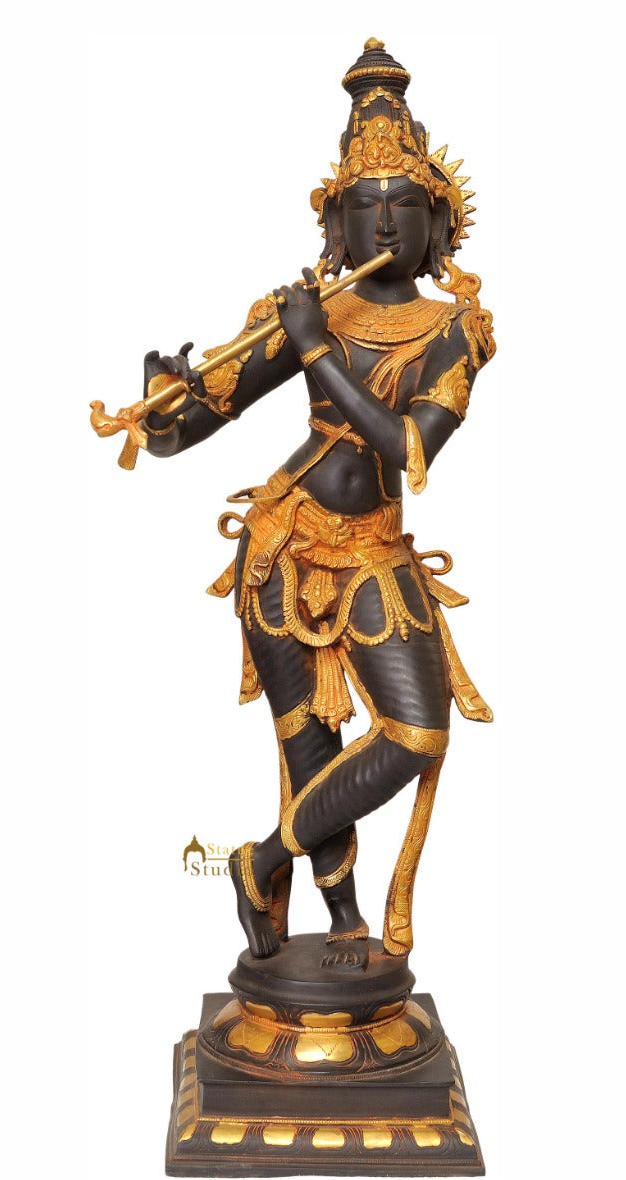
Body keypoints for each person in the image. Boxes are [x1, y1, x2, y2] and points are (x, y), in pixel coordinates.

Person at [139, 41, 495, 968]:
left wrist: (313, 351)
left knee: (414, 732)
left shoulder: (456, 330)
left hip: (375, 548)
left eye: (404, 204)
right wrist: (163, 402)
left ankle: (260, 861)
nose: (383, 223)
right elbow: (189, 431)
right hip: (283, 544)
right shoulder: (308, 310)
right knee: (309, 739)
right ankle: (342, 923)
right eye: (362, 206)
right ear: (334, 222)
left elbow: (408, 447)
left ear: (437, 222)